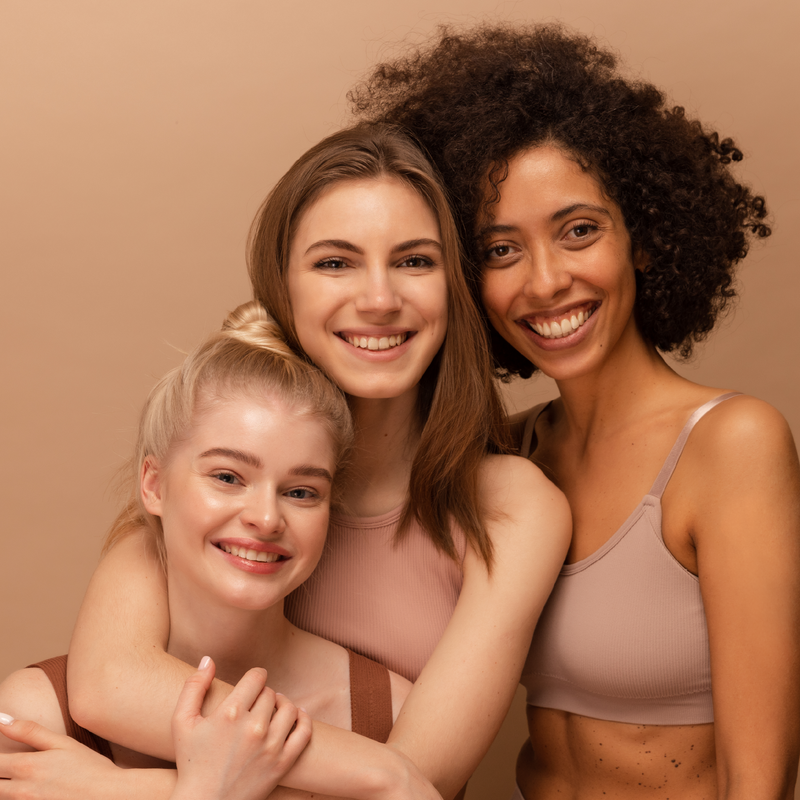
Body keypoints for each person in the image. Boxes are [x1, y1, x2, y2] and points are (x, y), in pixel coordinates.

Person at [0, 125, 570, 799]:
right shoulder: (218, 456)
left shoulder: (511, 508)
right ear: (284, 285)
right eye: (335, 263)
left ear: (456, 287)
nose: (380, 298)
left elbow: (415, 786)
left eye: (415, 261)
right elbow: (108, 685)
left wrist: (132, 793)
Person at [350, 23, 800, 799]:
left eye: (578, 232)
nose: (546, 281)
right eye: (500, 250)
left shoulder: (732, 445)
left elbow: (760, 779)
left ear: (645, 239)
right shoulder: (510, 455)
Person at [0, 300, 444, 800]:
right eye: (228, 477)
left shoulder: (389, 715)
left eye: (301, 491)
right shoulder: (33, 721)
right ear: (153, 485)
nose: (266, 518)